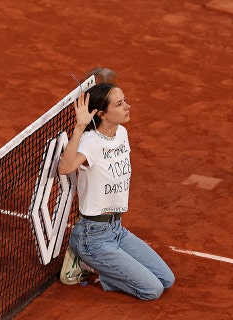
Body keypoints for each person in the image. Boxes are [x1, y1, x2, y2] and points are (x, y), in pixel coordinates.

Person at [58, 83, 174, 300]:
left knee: (167, 279)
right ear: (102, 114)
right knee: (152, 290)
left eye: (125, 101)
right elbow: (65, 168)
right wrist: (79, 127)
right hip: (92, 236)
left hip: (117, 230)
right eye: (119, 104)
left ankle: (95, 262)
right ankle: (86, 260)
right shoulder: (90, 142)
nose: (127, 107)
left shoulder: (121, 133)